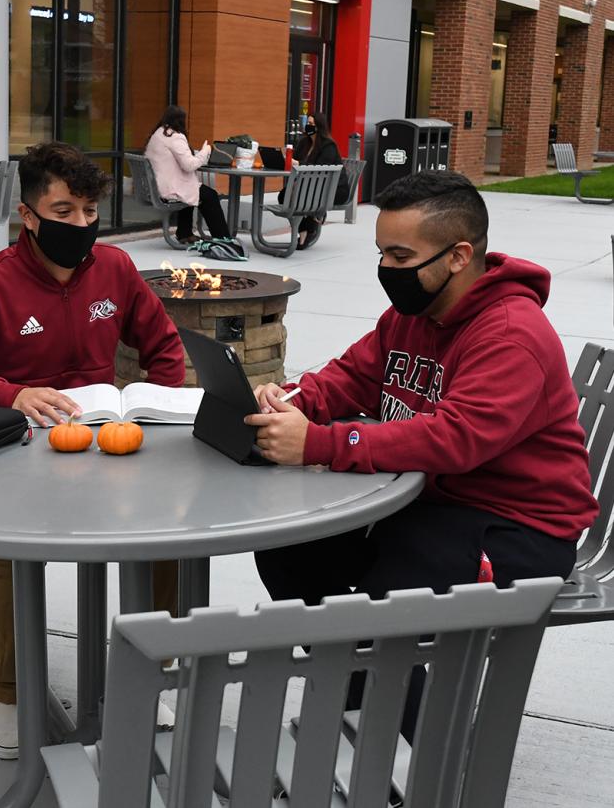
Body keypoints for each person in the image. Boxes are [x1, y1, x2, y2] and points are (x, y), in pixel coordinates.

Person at [246, 170, 598, 736]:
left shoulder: (511, 333)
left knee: (403, 592)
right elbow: (351, 376)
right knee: (292, 545)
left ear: (458, 256)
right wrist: (294, 400)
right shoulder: (409, 317)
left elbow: (455, 438)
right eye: (382, 251)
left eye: (400, 254)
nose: (387, 268)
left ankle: (387, 751)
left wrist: (321, 442)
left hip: (516, 526)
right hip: (430, 501)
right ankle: (353, 689)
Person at [0, 141, 185, 760]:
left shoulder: (115, 269)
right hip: (21, 452)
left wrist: (158, 406)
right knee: (11, 560)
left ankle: (151, 672)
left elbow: (164, 347)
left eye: (89, 212)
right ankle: (6, 693)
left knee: (172, 540)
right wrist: (9, 395)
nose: (80, 226)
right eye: (63, 212)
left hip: (111, 446)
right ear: (28, 216)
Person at [144, 105, 231, 245]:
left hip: (161, 185)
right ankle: (223, 238)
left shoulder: (159, 133)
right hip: (170, 188)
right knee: (210, 196)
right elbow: (189, 165)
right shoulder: (175, 137)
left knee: (193, 191)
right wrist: (205, 151)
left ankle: (185, 233)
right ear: (181, 121)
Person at [283, 113, 349, 249]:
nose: (308, 126)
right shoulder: (304, 143)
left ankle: (306, 230)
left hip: (333, 190)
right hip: (311, 188)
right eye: (307, 123)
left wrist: (299, 164)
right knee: (284, 195)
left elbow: (321, 169)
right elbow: (294, 161)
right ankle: (312, 219)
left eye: (312, 124)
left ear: (320, 127)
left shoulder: (328, 146)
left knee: (299, 197)